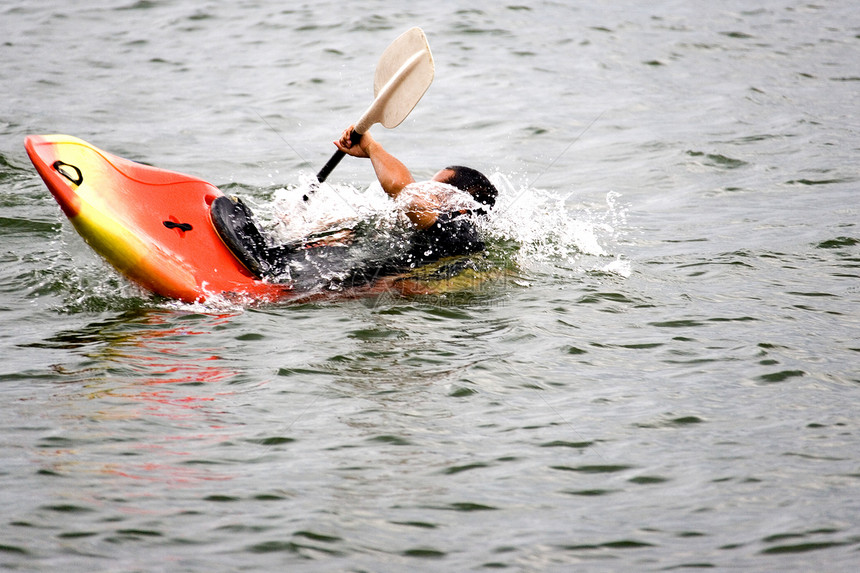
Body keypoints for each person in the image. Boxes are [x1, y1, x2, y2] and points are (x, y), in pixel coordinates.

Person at [333, 125, 498, 266]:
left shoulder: (458, 232)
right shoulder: (439, 229)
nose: (424, 190)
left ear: (461, 206)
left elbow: (404, 191)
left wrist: (371, 146)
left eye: (433, 189)